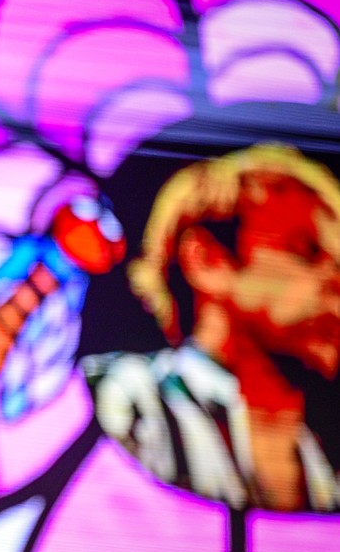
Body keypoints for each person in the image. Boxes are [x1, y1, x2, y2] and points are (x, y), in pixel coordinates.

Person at [82, 141, 340, 512]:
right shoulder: (117, 401)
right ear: (206, 260)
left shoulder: (322, 455)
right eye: (308, 249)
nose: (334, 284)